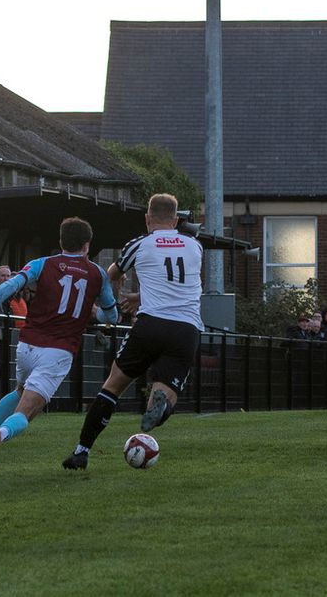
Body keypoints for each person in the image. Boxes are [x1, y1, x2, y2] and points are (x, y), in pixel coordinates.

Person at [0, 217, 118, 472]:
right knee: (28, 411)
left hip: (27, 345)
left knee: (19, 392)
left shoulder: (42, 264)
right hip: (58, 352)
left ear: (61, 241)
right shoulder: (97, 274)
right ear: (87, 245)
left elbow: (11, 285)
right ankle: (1, 435)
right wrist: (94, 311)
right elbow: (112, 316)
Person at [62, 193, 203, 471]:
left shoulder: (140, 244)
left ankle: (82, 451)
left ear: (147, 218)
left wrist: (108, 298)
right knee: (166, 397)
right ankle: (160, 405)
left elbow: (107, 275)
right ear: (176, 220)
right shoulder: (195, 246)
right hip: (186, 328)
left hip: (150, 324)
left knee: (112, 386)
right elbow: (180, 284)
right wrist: (142, 295)